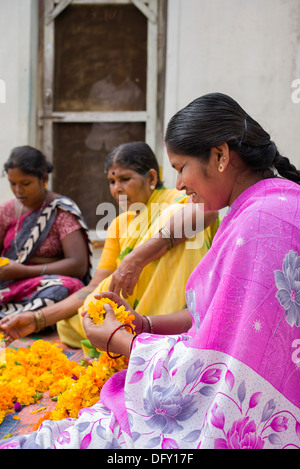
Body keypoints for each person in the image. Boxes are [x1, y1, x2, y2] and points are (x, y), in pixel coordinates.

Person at [5, 91, 299, 450]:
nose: (180, 183)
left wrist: (122, 336)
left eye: (180, 168)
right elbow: (213, 319)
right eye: (112, 182)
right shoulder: (251, 209)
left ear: (220, 156)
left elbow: (228, 369)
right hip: (164, 331)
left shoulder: (247, 218)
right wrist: (141, 325)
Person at [0, 141, 219, 349]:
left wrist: (137, 257)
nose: (117, 189)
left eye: (125, 179)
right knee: (72, 322)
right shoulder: (118, 224)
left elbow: (206, 211)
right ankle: (132, 333)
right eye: (112, 182)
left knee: (177, 219)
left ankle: (161, 331)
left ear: (151, 177)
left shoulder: (179, 200)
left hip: (181, 310)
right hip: (132, 310)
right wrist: (38, 319)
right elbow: (95, 286)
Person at [0, 145, 91, 322]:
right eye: (13, 184)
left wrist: (24, 270)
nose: (18, 190)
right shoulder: (6, 211)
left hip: (44, 285)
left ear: (44, 178)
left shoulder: (60, 211)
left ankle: (27, 320)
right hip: (9, 286)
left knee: (68, 288)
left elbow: (78, 265)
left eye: (25, 184)